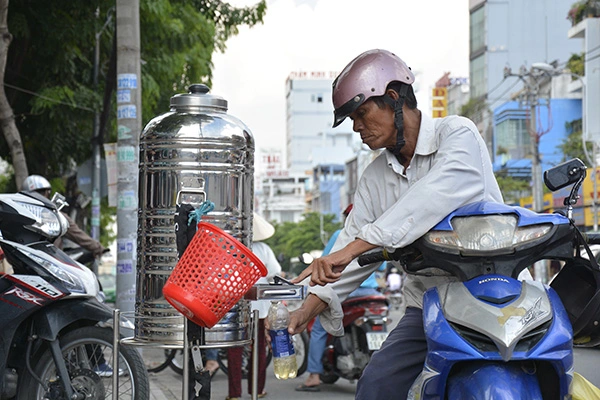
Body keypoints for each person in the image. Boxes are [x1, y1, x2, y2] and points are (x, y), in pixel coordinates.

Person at [287, 49, 532, 400]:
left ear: (392, 98)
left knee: (551, 372)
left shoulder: (457, 134)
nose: (357, 127)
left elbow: (433, 196)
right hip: (431, 306)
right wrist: (306, 310)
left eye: (361, 114)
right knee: (374, 389)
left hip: (497, 293)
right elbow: (350, 250)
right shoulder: (374, 177)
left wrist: (357, 246)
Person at [296, 204, 383, 392]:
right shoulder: (377, 234)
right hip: (372, 294)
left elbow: (326, 262)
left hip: (348, 292)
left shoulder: (340, 234)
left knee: (319, 328)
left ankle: (313, 375)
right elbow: (382, 267)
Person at [226, 212, 282, 400]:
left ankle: (234, 394)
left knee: (234, 350)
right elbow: (275, 273)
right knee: (258, 349)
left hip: (235, 306)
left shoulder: (230, 247)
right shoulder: (264, 249)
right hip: (260, 307)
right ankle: (256, 390)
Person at [22, 175, 106, 258]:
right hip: (49, 261)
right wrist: (98, 248)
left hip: (28, 259)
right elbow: (78, 235)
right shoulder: (55, 216)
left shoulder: (21, 212)